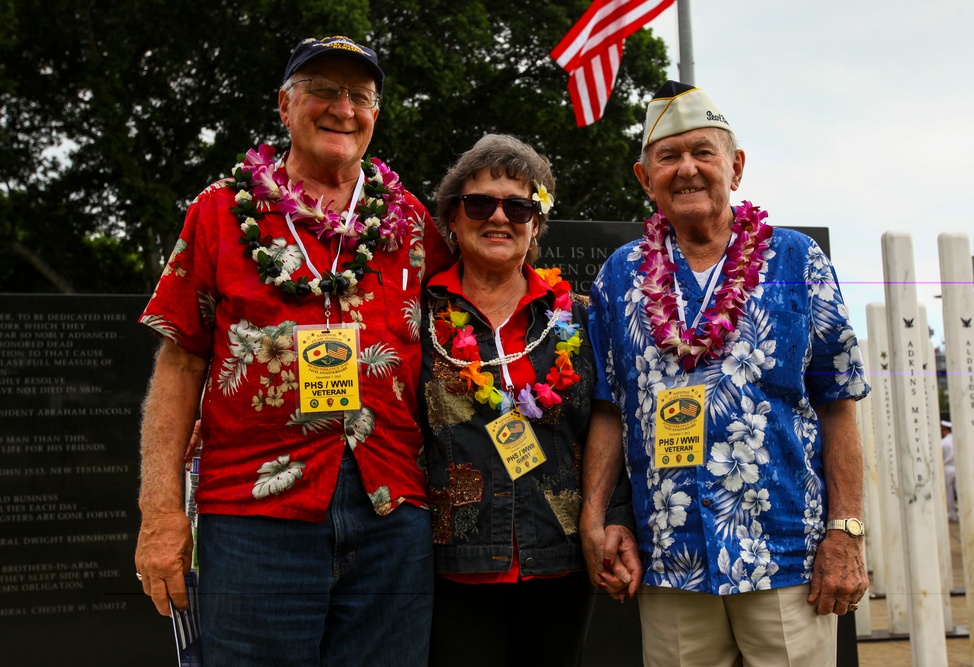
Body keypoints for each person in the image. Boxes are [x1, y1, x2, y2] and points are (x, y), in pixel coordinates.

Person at [133, 36, 450, 666]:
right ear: (285, 105)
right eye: (323, 90)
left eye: (359, 95)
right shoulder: (220, 211)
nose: (343, 107)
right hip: (255, 518)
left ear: (375, 115)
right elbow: (181, 363)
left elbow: (465, 334)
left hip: (392, 512)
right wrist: (161, 514)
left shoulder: (411, 222)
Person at [581, 81, 871, 666]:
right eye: (668, 156)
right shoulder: (619, 276)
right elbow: (610, 409)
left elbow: (838, 401)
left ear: (735, 167)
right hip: (671, 558)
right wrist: (594, 520)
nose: (687, 169)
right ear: (645, 178)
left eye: (703, 153)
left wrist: (847, 531)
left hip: (786, 553)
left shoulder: (795, 261)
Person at [419, 133, 636, 667]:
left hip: (559, 558)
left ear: (536, 223)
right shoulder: (416, 316)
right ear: (452, 216)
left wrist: (615, 518)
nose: (499, 216)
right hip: (449, 564)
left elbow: (608, 422)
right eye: (479, 203)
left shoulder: (578, 318)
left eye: (519, 205)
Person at [941, 419, 958, 521]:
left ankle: (952, 514)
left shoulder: (943, 442)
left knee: (949, 492)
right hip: (958, 467)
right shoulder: (958, 440)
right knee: (959, 491)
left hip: (947, 468)